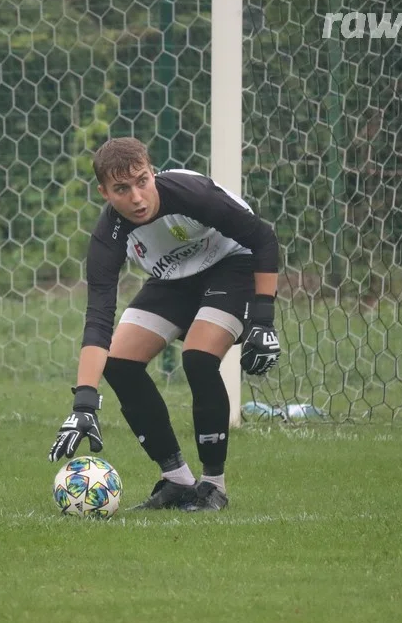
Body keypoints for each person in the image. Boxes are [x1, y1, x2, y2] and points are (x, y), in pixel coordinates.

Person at [48, 137, 281, 512]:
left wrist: (263, 320)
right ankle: (177, 481)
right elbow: (98, 320)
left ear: (152, 173)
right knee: (120, 362)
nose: (137, 197)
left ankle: (213, 487)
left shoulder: (191, 194)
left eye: (142, 181)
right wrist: (84, 404)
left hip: (232, 265)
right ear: (104, 192)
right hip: (173, 277)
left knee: (199, 358)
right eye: (122, 189)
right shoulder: (106, 237)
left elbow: (263, 238)